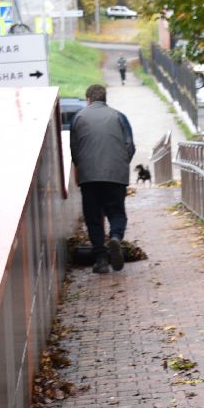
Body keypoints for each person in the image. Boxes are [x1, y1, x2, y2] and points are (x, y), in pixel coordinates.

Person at [70, 84, 136, 274]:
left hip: (89, 177)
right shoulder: (119, 116)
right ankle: (115, 236)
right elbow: (130, 146)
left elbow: (75, 150)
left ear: (88, 99)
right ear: (105, 99)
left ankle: (100, 259)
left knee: (93, 218)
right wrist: (121, 165)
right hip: (115, 175)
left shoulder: (78, 117)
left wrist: (81, 170)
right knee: (116, 211)